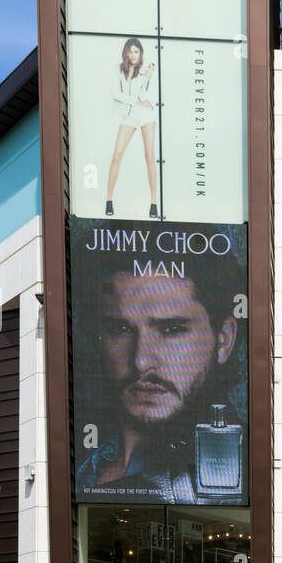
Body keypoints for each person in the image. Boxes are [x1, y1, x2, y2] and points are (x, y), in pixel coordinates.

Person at [73, 225, 248, 505]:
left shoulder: (241, 468)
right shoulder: (77, 458)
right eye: (120, 329)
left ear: (223, 340)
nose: (141, 361)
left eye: (171, 329)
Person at [104, 37, 159, 219]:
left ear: (140, 53)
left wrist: (148, 77)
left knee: (150, 157)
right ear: (126, 52)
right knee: (116, 156)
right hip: (128, 115)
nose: (134, 55)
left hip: (146, 116)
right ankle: (109, 200)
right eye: (131, 51)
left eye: (137, 51)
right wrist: (134, 101)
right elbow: (114, 92)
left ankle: (154, 203)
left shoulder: (145, 71)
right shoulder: (117, 69)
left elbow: (147, 96)